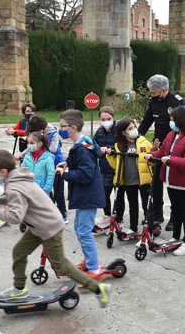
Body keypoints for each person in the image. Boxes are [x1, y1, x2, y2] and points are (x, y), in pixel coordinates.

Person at [0, 149, 111, 306]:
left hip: (48, 227)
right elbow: (20, 198)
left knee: (61, 265)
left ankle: (98, 288)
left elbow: (15, 217)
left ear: (3, 171)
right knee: (19, 252)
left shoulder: (13, 186)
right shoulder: (18, 178)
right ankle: (19, 288)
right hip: (39, 225)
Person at [146, 107, 185, 256]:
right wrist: (151, 154)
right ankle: (176, 237)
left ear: (180, 120)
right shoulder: (171, 134)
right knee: (175, 210)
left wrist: (171, 161)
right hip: (170, 179)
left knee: (184, 211)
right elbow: (162, 152)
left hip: (183, 180)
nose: (170, 123)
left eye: (172, 120)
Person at [55, 110, 107, 280]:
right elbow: (84, 161)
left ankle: (94, 268)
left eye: (62, 126)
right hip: (86, 195)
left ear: (73, 127)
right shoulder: (83, 142)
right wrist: (67, 163)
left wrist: (65, 175)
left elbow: (85, 174)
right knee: (79, 229)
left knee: (84, 231)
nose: (60, 129)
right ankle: (89, 260)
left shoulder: (82, 148)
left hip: (88, 196)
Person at [138, 74, 185, 231]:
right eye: (151, 92)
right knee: (156, 183)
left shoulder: (177, 102)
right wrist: (137, 137)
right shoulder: (154, 101)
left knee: (173, 184)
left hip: (175, 147)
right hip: (159, 147)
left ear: (164, 90)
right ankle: (156, 214)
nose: (152, 95)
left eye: (154, 92)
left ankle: (175, 217)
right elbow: (146, 121)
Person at [16, 115, 67, 223]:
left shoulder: (53, 133)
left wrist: (43, 142)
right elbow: (30, 150)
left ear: (43, 128)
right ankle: (49, 212)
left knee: (58, 191)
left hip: (56, 163)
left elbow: (52, 149)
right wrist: (22, 155)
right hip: (40, 162)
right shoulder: (35, 137)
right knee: (46, 192)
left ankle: (63, 214)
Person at [106, 119, 152, 234]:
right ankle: (133, 228)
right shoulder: (118, 146)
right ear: (123, 132)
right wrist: (109, 155)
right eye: (130, 128)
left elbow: (151, 161)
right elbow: (115, 165)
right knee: (133, 206)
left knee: (146, 205)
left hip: (143, 180)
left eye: (134, 127)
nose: (134, 130)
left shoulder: (144, 142)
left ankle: (149, 228)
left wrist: (154, 152)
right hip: (128, 180)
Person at [94, 106, 119, 227]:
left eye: (108, 118)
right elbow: (94, 146)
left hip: (118, 167)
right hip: (104, 168)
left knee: (118, 196)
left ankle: (118, 220)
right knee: (104, 194)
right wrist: (98, 149)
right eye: (103, 119)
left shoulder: (119, 130)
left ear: (113, 118)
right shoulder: (99, 131)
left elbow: (124, 146)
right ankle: (107, 216)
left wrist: (111, 150)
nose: (106, 121)